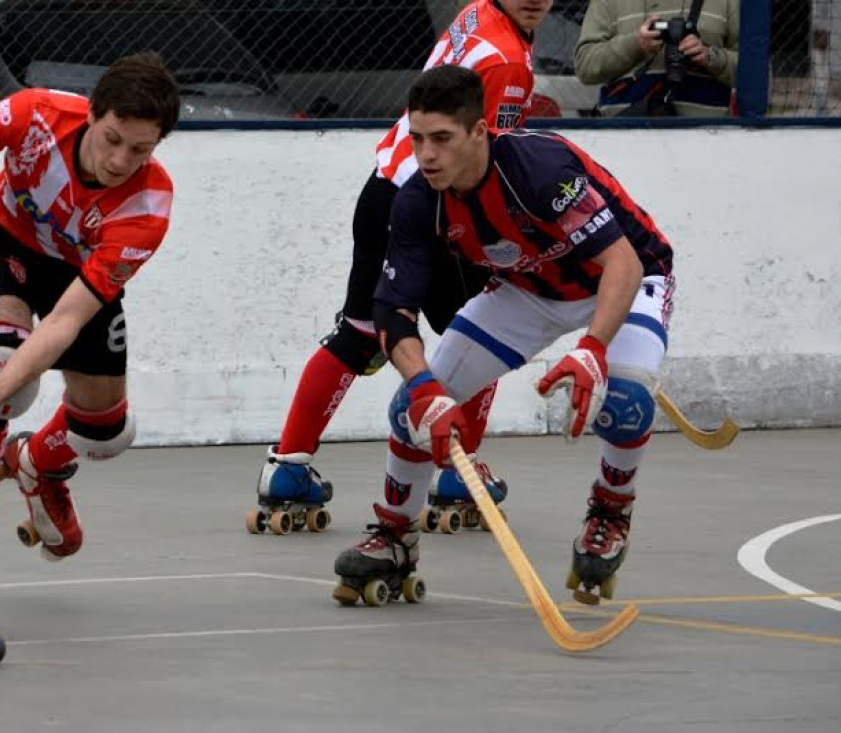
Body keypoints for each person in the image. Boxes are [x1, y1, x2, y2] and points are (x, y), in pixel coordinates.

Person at [332, 64, 674, 607]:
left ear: (478, 130)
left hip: (624, 278)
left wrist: (591, 350)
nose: (426, 156)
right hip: (529, 289)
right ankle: (395, 536)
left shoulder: (541, 167)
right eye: (417, 139)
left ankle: (610, 509)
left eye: (441, 139)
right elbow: (394, 310)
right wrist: (425, 387)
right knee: (409, 410)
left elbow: (623, 264)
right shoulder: (419, 200)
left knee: (625, 399)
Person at [0, 53, 180, 625]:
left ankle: (34, 460)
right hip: (8, 244)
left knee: (107, 433)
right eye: (112, 139)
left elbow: (65, 322)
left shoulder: (148, 206)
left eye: (141, 150)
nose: (120, 160)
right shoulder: (34, 116)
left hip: (78, 279)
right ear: (91, 114)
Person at [249, 0, 553, 536]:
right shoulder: (507, 62)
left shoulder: (477, 11)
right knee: (483, 333)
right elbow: (491, 158)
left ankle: (287, 466)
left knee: (360, 333)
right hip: (437, 206)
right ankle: (459, 476)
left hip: (382, 189)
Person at [574, 0, 739, 117]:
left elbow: (760, 75)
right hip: (625, 138)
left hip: (708, 138)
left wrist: (712, 58)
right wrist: (635, 44)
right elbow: (585, 65)